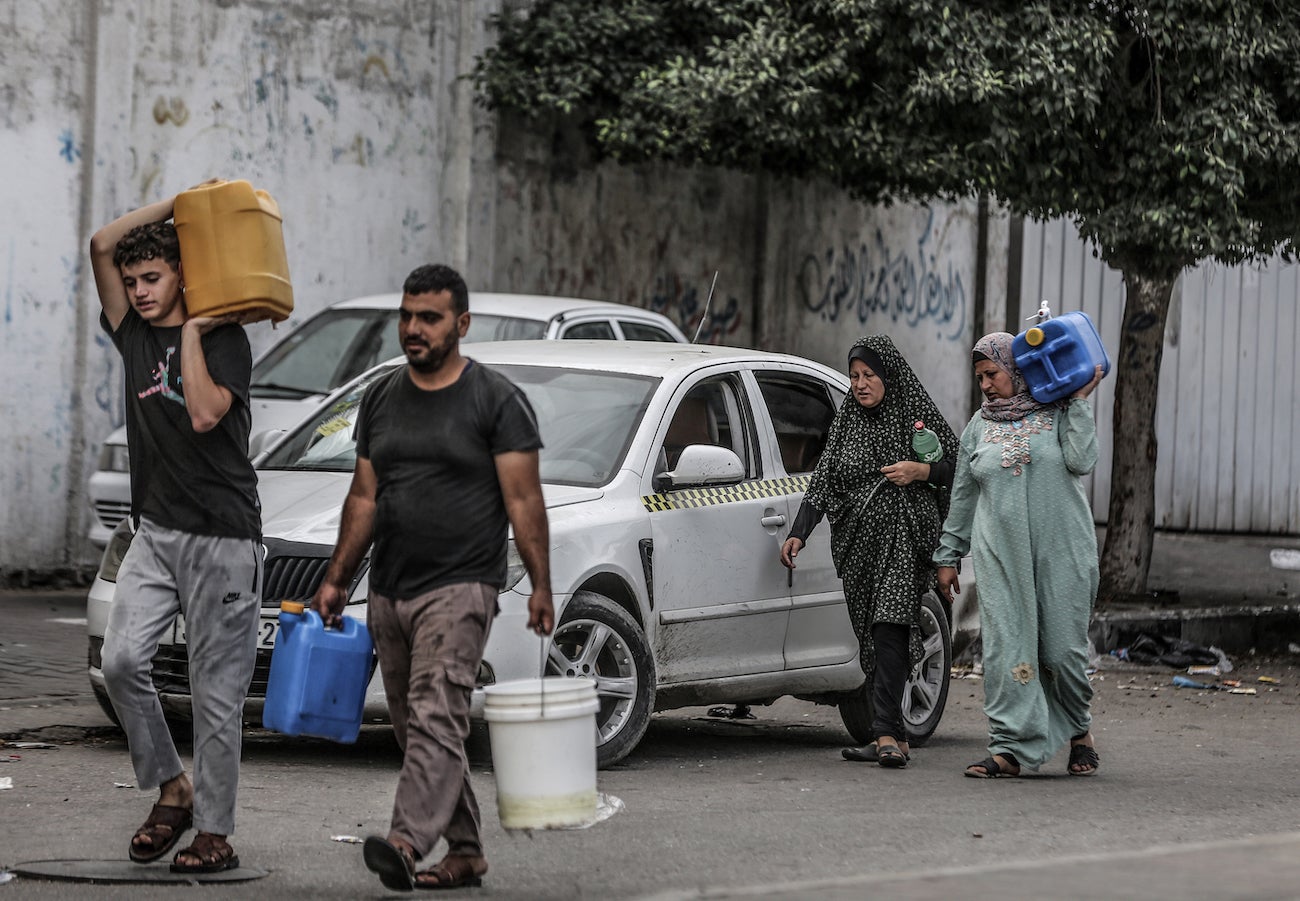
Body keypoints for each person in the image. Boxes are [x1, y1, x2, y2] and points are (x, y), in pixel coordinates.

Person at [311, 263, 554, 892]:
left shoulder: (495, 400)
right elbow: (364, 496)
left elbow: (525, 501)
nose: (413, 329)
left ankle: (406, 839)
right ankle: (467, 849)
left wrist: (542, 588)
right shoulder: (384, 397)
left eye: (429, 318)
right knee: (416, 724)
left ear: (461, 324)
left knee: (435, 714)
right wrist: (338, 577)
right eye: (407, 316)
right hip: (390, 587)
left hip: (462, 584)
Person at [90, 191, 263, 872]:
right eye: (132, 283)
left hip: (224, 536)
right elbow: (103, 242)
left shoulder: (227, 340)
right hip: (155, 532)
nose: (138, 291)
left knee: (216, 692)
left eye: (153, 278)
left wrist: (192, 331)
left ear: (183, 275)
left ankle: (214, 832)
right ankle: (173, 785)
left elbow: (202, 413)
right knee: (123, 661)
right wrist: (180, 206)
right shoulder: (129, 329)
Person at [780, 335, 957, 769]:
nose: (860, 384)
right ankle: (894, 735)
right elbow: (823, 480)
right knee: (873, 637)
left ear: (888, 376)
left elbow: (957, 464)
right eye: (855, 376)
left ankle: (882, 733)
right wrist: (798, 533)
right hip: (858, 544)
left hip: (904, 534)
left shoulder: (913, 412)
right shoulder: (847, 421)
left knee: (890, 625)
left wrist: (920, 470)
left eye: (869, 375)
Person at [933, 332, 1103, 778]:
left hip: (1061, 550)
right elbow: (963, 496)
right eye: (980, 378)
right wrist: (948, 555)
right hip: (1001, 555)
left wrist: (1080, 401)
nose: (986, 384)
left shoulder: (1057, 410)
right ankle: (1009, 746)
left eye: (993, 374)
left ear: (1019, 369)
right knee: (1008, 650)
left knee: (1063, 651)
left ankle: (1080, 731)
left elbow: (1083, 460)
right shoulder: (978, 427)